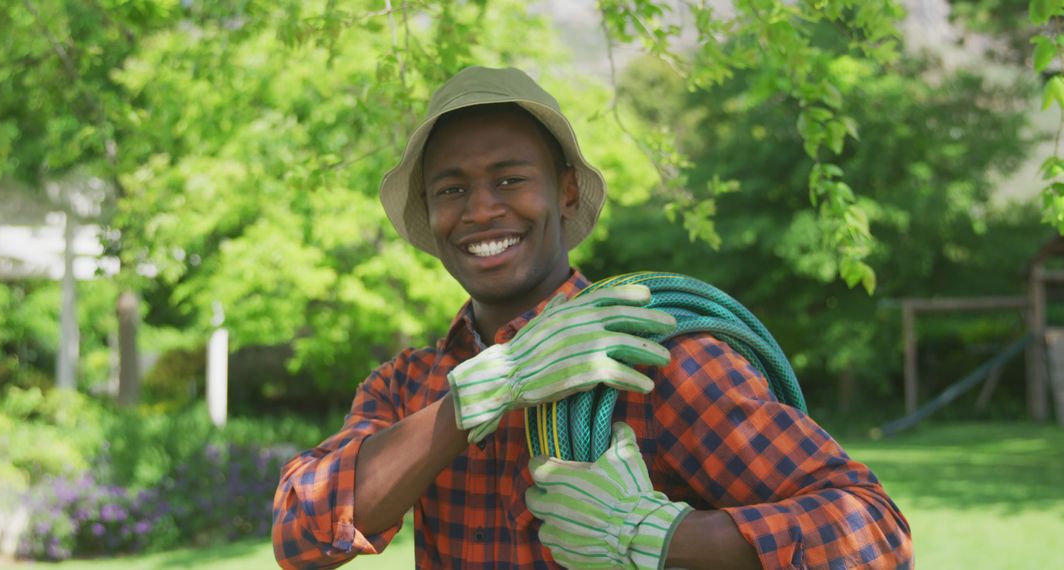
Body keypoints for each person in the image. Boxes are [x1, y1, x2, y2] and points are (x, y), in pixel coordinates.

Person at [272, 66, 913, 569]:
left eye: (509, 179)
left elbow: (873, 533)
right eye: (451, 189)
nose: (480, 210)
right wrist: (472, 399)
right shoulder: (406, 387)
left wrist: (664, 536)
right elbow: (300, 535)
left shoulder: (661, 358)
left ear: (567, 191)